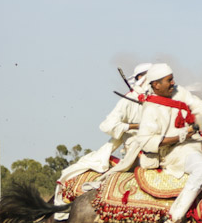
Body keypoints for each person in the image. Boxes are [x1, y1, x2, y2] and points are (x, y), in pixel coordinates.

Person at [111, 63, 202, 223]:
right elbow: (146, 141)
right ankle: (174, 219)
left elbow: (199, 107)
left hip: (193, 144)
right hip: (172, 153)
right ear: (156, 85)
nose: (173, 83)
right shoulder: (150, 109)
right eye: (169, 80)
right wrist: (180, 136)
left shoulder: (179, 92)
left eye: (172, 79)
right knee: (201, 169)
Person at [53, 62, 154, 209]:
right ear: (142, 78)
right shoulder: (129, 100)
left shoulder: (160, 100)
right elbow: (107, 125)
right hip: (137, 150)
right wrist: (135, 126)